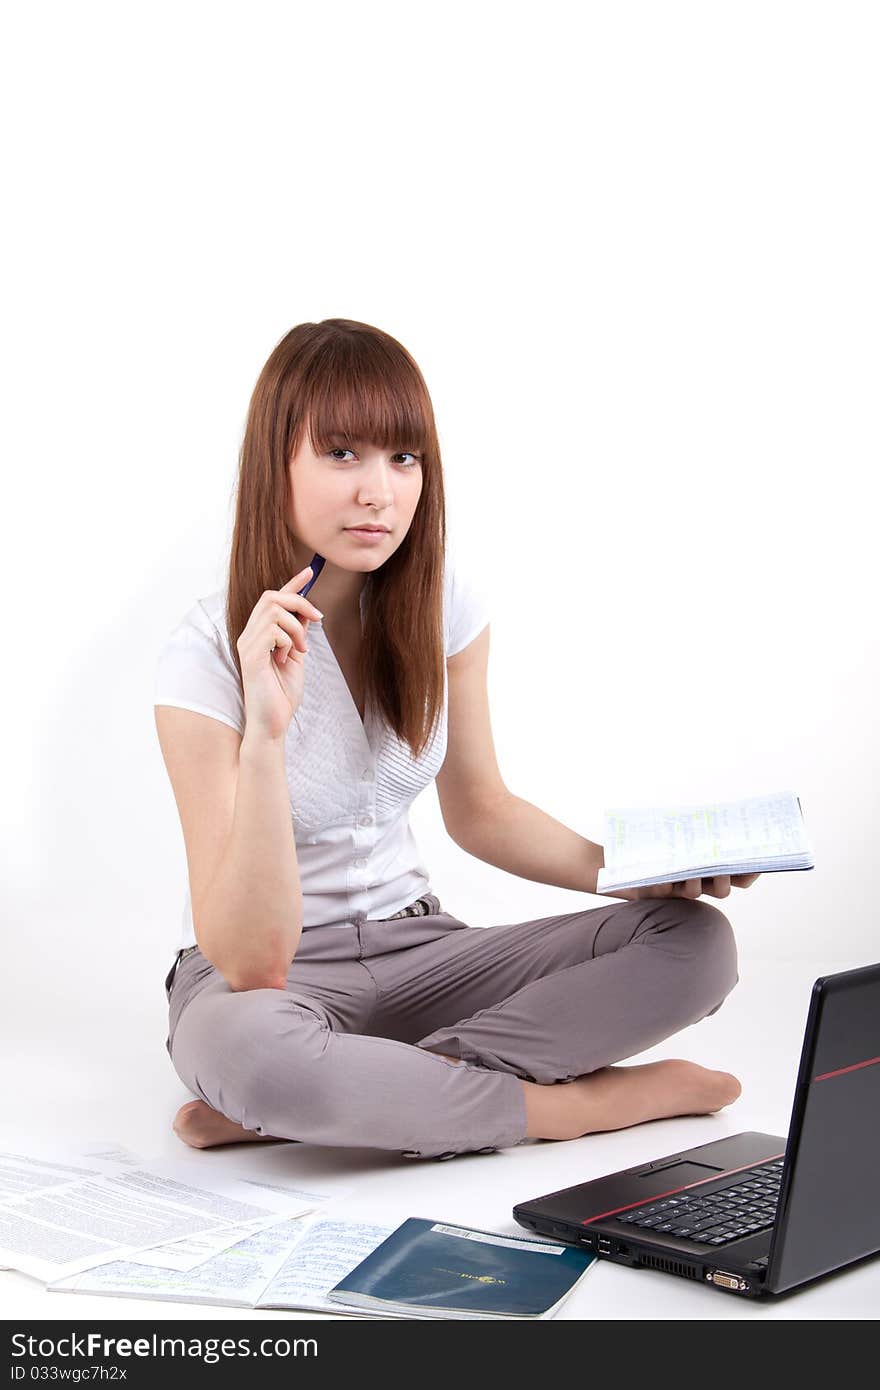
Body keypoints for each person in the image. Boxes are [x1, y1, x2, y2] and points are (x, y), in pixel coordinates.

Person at [154, 317, 757, 1162]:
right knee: (253, 1054)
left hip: (423, 951)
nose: (380, 491)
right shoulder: (206, 654)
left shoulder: (442, 608)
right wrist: (265, 736)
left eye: (403, 458)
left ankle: (340, 1102)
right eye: (341, 454)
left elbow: (482, 811)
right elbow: (253, 962)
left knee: (695, 945)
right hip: (266, 986)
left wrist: (639, 878)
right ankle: (572, 1108)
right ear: (273, 464)